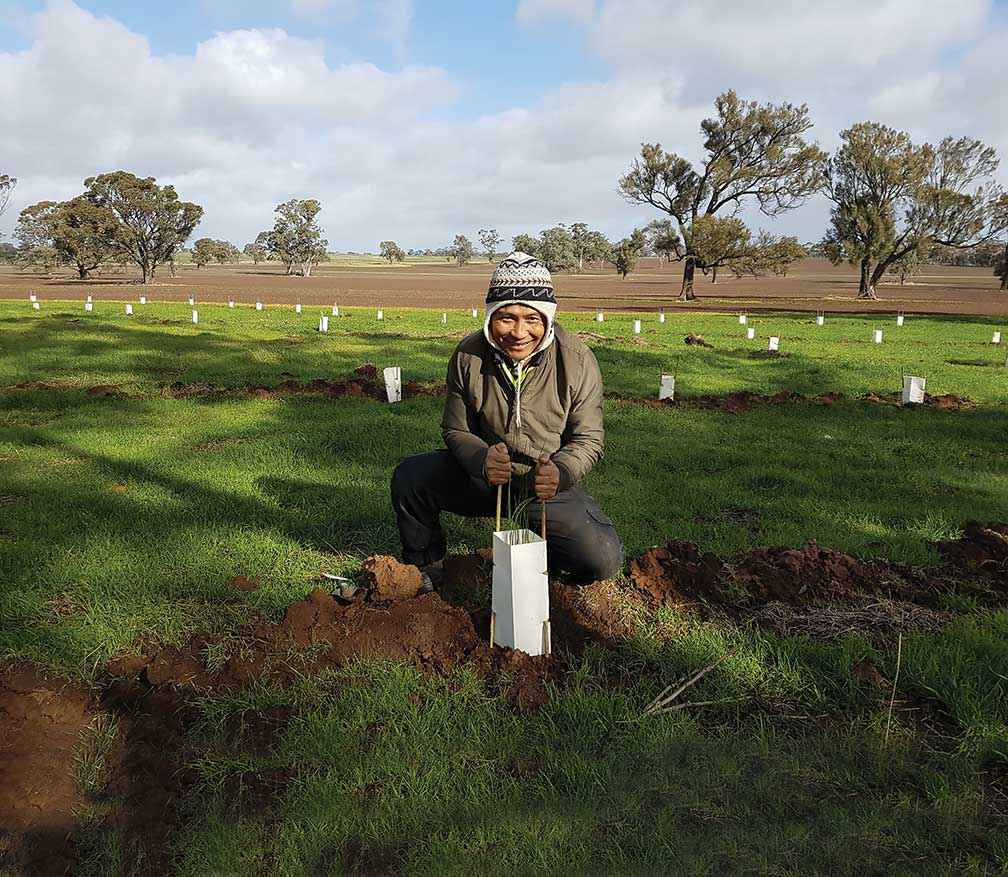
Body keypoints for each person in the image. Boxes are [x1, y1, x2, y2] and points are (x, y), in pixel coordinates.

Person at [391, 251, 623, 590]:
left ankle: (542, 563)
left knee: (601, 559)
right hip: (483, 476)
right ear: (490, 316)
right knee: (411, 477)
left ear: (547, 318)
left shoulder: (576, 360)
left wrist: (561, 472)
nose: (518, 332)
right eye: (506, 317)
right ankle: (426, 566)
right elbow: (455, 427)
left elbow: (589, 439)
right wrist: (480, 459)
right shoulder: (468, 355)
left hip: (542, 486)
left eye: (531, 318)